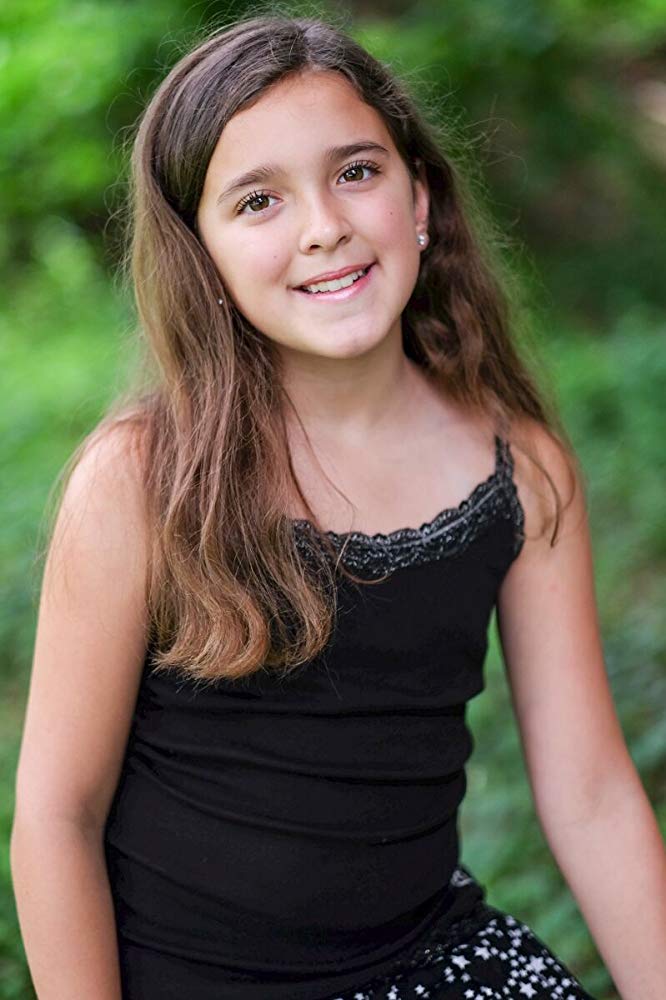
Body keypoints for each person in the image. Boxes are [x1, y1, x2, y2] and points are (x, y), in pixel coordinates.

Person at [9, 12, 666, 1000]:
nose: (324, 225)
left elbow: (591, 795)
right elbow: (59, 815)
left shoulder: (520, 467)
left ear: (420, 197)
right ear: (202, 254)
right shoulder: (144, 478)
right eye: (259, 199)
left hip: (426, 961)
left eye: (356, 171)